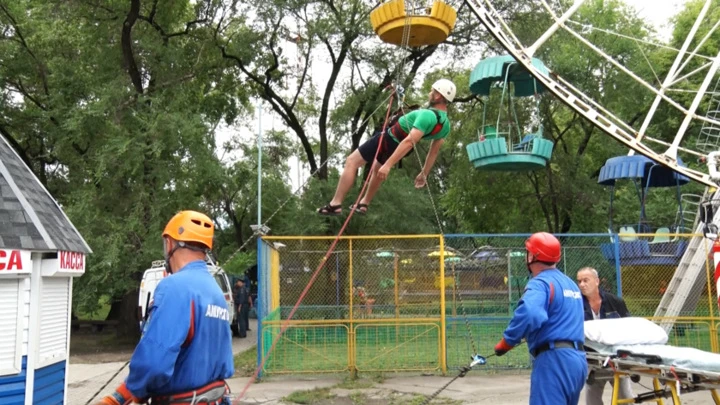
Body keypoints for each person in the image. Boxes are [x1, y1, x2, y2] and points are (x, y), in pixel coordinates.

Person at [94, 210, 234, 405]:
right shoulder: (216, 292)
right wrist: (122, 395)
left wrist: (129, 392)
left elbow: (154, 363)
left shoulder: (174, 287)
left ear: (170, 243)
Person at [316, 79, 456, 216]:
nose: (430, 93)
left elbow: (409, 141)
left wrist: (388, 165)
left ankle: (335, 203)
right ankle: (364, 203)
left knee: (352, 161)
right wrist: (424, 173)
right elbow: (434, 152)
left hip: (390, 139)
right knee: (377, 169)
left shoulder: (427, 115)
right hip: (396, 146)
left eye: (433, 91)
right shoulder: (446, 125)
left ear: (438, 95)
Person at [493, 232, 587, 405]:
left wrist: (508, 341)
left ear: (532, 257)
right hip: (578, 360)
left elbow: (530, 312)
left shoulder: (541, 283)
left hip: (553, 361)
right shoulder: (570, 284)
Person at [576, 267, 633, 405]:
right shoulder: (575, 304)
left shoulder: (615, 302)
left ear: (597, 281)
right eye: (579, 281)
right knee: (592, 400)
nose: (582, 284)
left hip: (616, 359)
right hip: (592, 361)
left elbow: (629, 327)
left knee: (625, 398)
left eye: (585, 280)